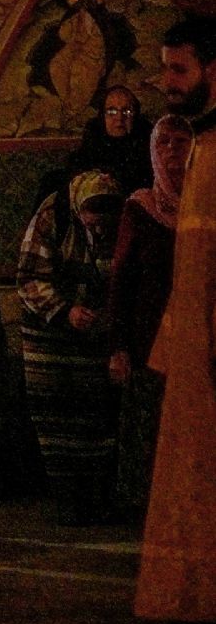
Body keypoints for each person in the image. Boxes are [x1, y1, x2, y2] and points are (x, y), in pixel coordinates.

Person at [135, 17, 216, 624]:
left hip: (212, 349)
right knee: (188, 484)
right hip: (193, 348)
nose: (167, 82)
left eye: (179, 69)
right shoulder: (201, 145)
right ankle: (191, 607)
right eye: (165, 68)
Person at [17, 170, 122, 525]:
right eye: (93, 217)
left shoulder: (119, 222)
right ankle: (68, 501)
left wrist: (108, 315)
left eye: (106, 218)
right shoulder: (53, 216)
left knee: (96, 420)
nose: (100, 226)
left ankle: (97, 499)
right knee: (57, 421)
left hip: (94, 337)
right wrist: (65, 311)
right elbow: (30, 276)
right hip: (49, 335)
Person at [108, 115, 193, 511]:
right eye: (164, 142)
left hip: (198, 341)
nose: (172, 150)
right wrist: (119, 346)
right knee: (153, 438)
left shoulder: (207, 204)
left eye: (181, 141)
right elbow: (122, 280)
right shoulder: (141, 209)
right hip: (149, 343)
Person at [68, 85, 154, 200]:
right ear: (102, 115)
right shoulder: (94, 134)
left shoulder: (145, 137)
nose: (119, 118)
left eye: (127, 111)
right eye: (112, 111)